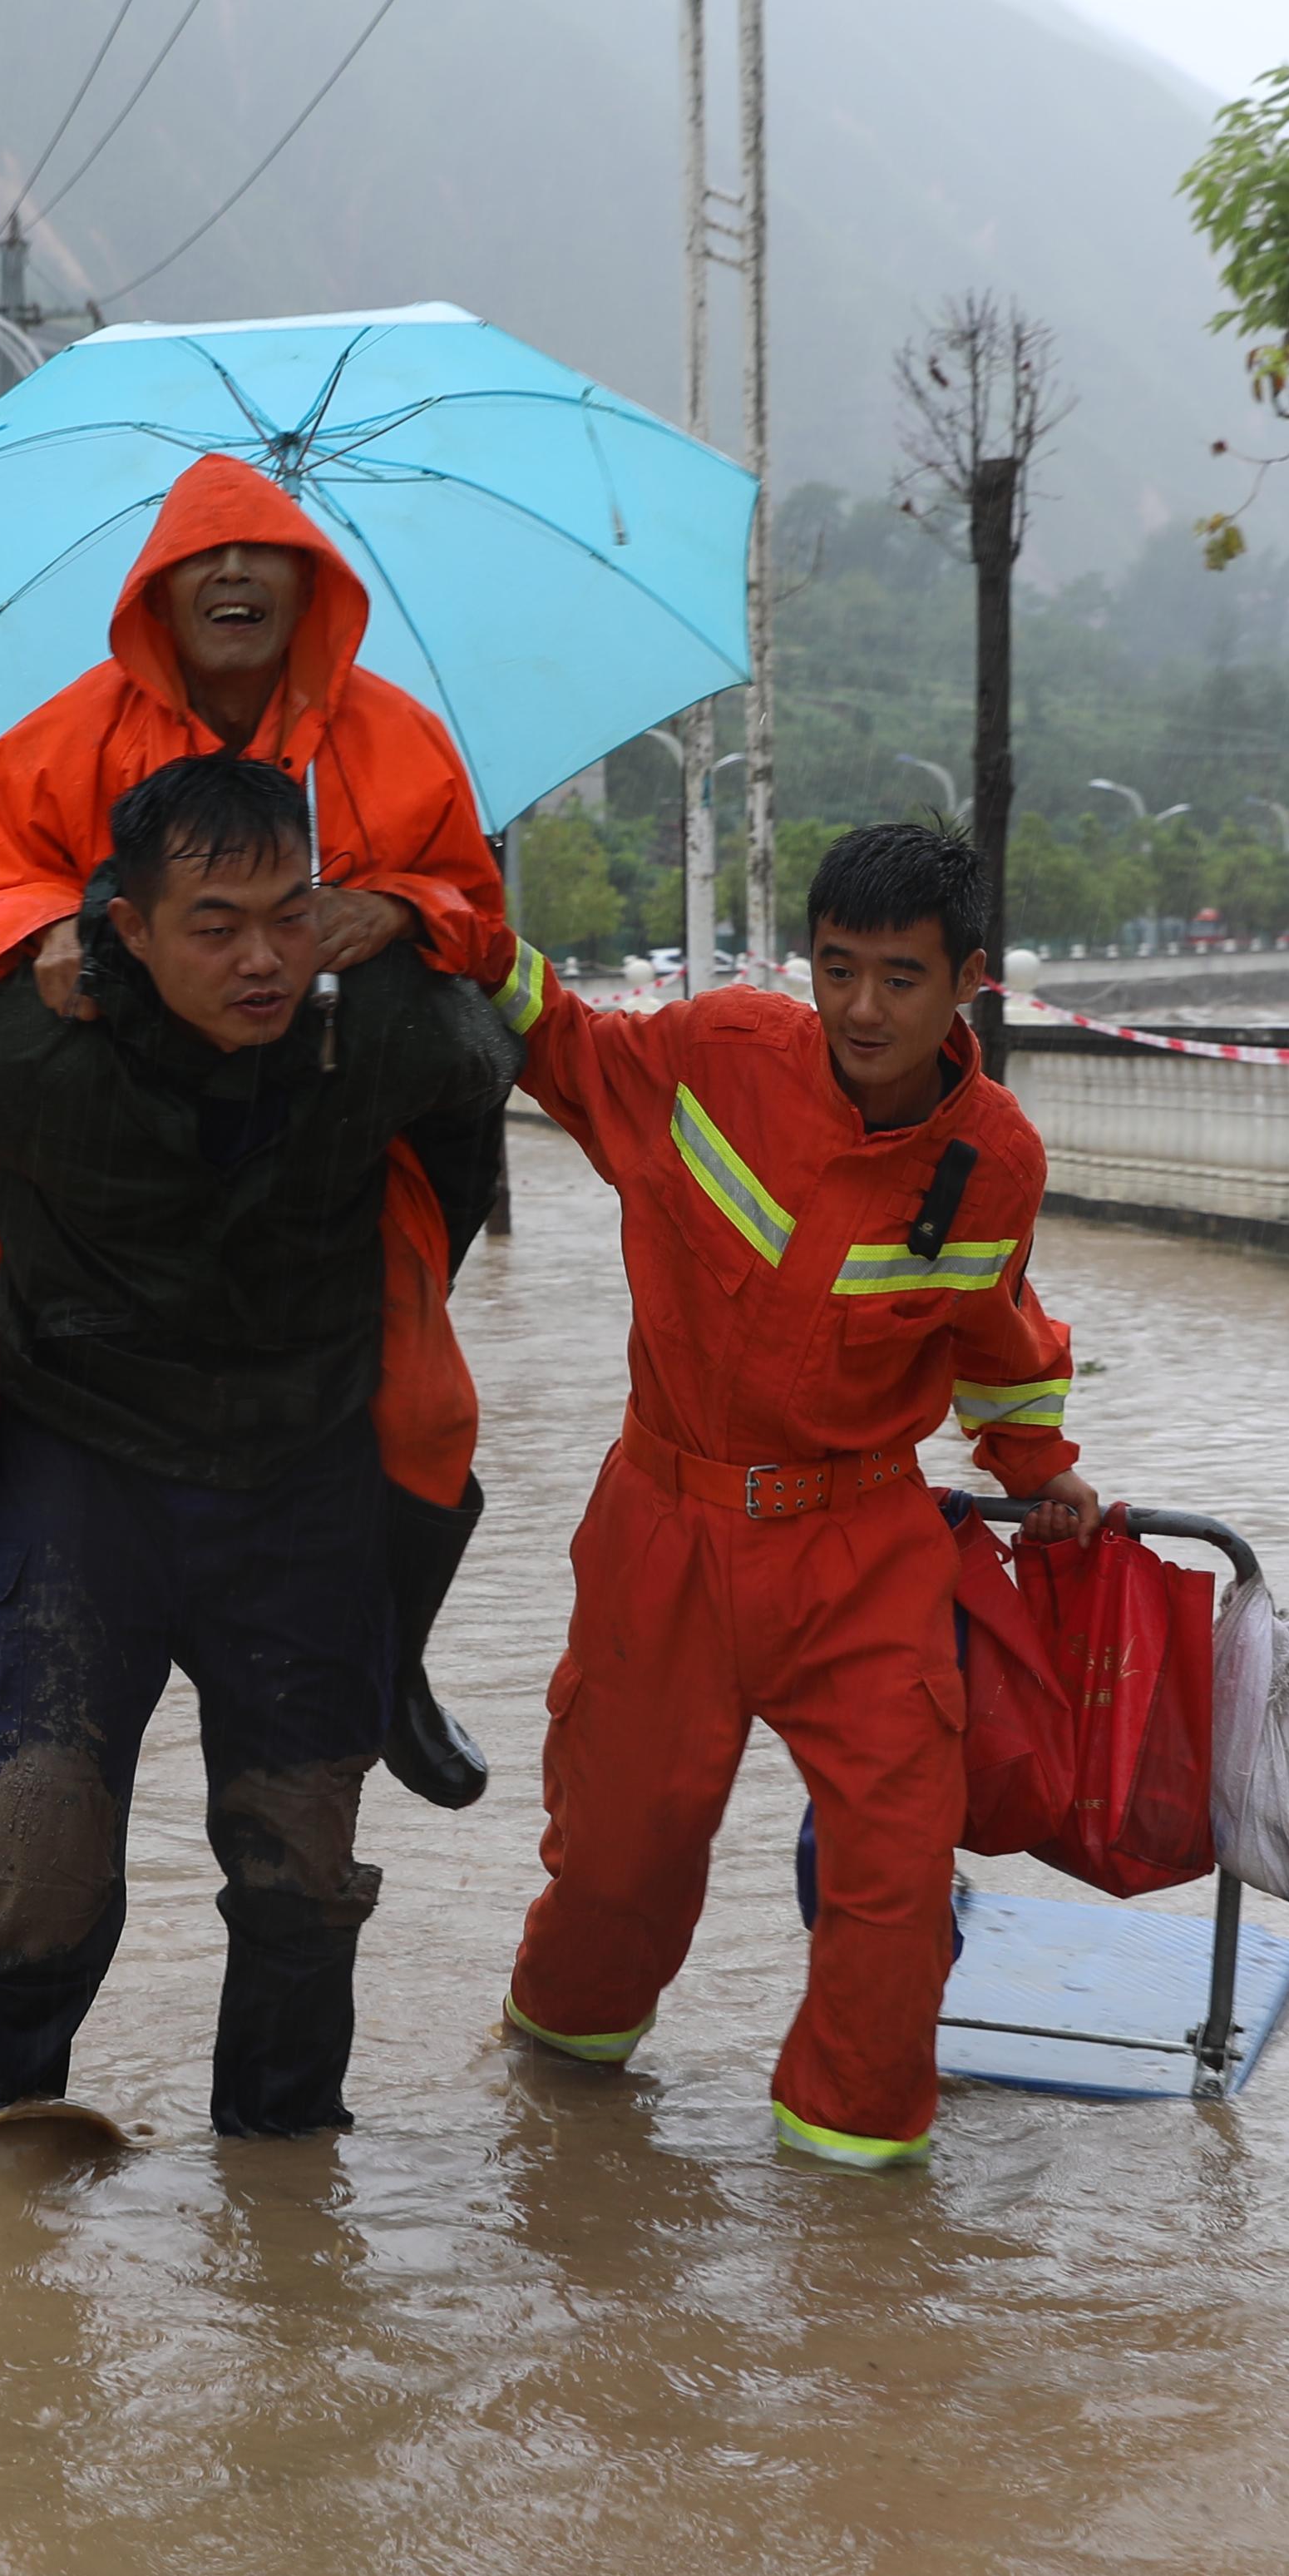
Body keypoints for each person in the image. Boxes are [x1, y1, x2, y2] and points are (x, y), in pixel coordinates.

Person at [0, 452, 516, 1808]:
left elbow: (476, 915)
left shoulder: (400, 740)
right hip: (96, 1126)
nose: (234, 575)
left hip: (318, 1136)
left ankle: (402, 1668)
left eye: (263, 554)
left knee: (425, 1391)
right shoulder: (59, 741)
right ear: (156, 594)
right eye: (203, 558)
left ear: (311, 584)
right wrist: (49, 929)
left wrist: (400, 909)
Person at [0, 751, 519, 2139]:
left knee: (303, 1861)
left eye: (290, 914)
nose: (263, 959)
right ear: (128, 931)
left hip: (304, 1477)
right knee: (43, 1841)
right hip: (86, 1467)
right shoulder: (27, 1029)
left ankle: (282, 2174)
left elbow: (477, 1085)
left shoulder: (380, 1021)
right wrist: (10, 1235)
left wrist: (405, 1265)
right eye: (215, 927)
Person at [497, 821, 1098, 2169]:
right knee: (619, 1864)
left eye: (900, 977)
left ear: (969, 983)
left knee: (896, 1869)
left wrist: (1036, 1463)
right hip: (665, 1528)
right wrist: (459, 938)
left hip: (863, 1544)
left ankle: (859, 2192)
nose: (862, 1009)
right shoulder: (715, 1053)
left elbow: (995, 1327)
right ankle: (556, 2088)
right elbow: (566, 1046)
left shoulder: (997, 1158)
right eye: (838, 970)